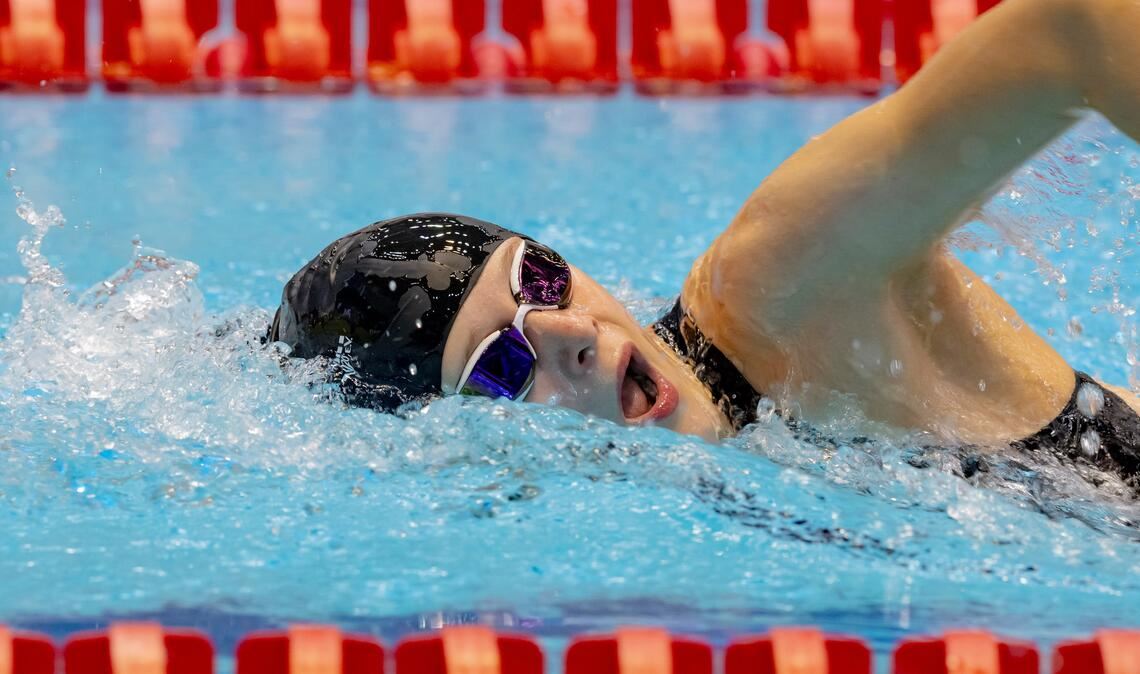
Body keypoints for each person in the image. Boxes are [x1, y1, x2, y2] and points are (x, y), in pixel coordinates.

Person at [268, 0, 1140, 485]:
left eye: (540, 281)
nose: (572, 333)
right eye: (501, 367)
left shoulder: (783, 284)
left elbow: (1071, 28)